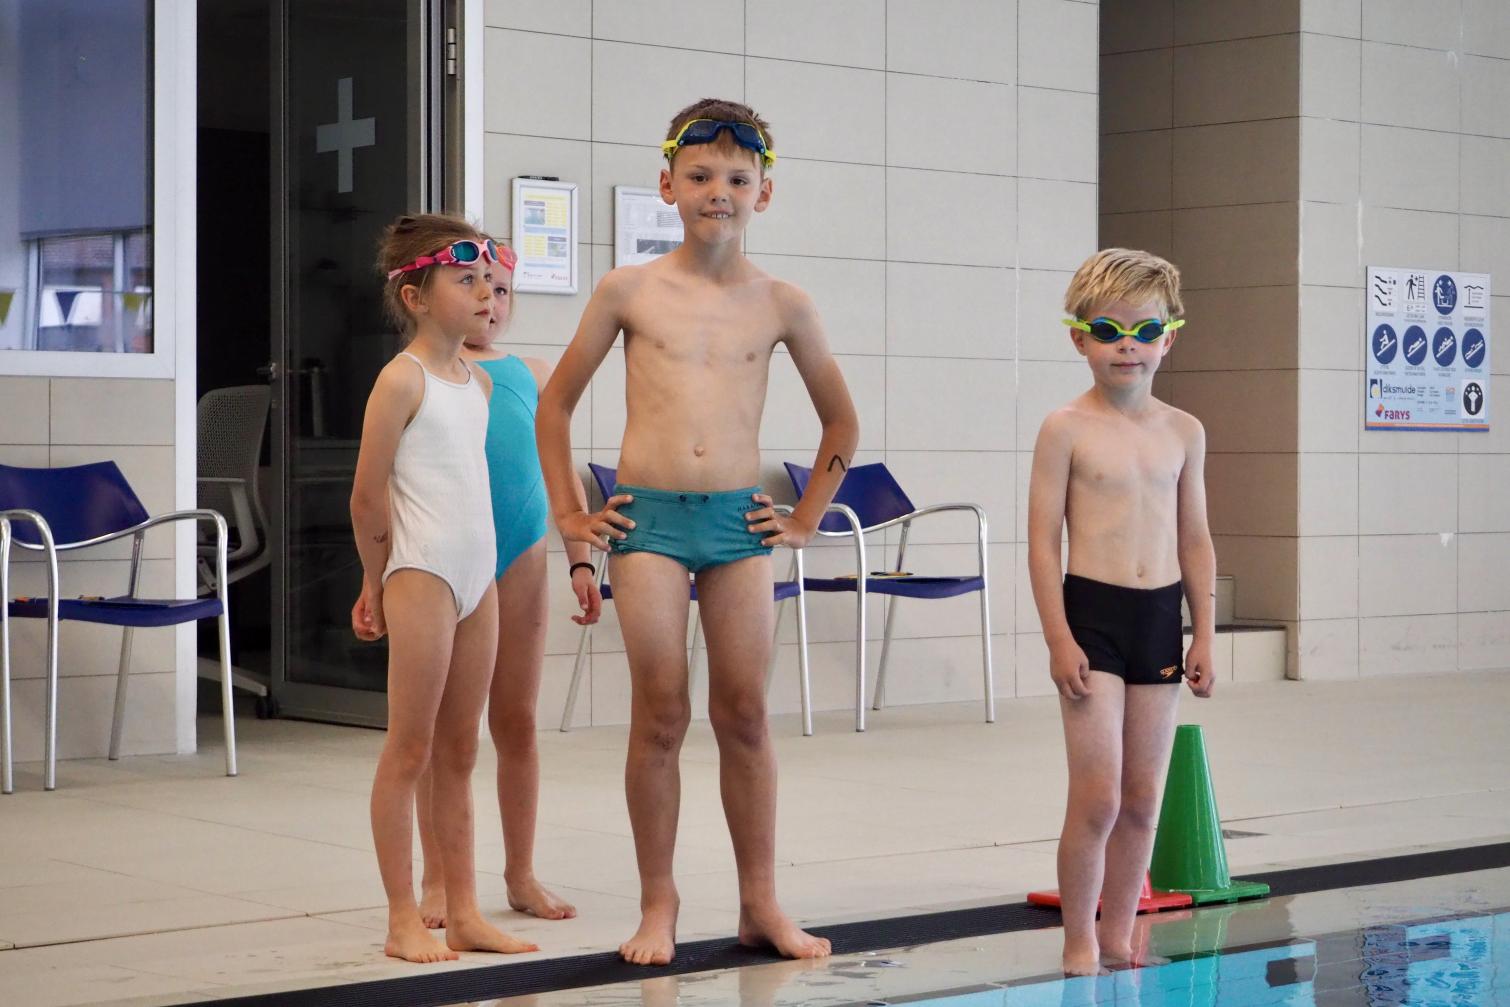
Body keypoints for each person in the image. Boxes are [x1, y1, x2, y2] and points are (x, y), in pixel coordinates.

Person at [535, 98, 860, 966]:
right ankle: (659, 901)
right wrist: (571, 518)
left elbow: (841, 422)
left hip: (737, 525)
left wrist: (803, 518)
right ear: (668, 184)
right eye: (702, 175)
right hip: (647, 521)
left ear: (764, 193)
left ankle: (761, 901)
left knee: (745, 712)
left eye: (738, 179)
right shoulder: (629, 290)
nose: (720, 191)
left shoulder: (783, 303)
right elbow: (554, 406)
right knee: (662, 710)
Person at [349, 213, 539, 963]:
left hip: (477, 578)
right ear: (416, 296)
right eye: (467, 280)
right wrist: (374, 579)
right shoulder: (402, 379)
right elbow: (367, 496)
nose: (486, 292)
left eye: (490, 279)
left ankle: (465, 912)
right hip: (421, 573)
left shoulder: (479, 382)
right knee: (411, 749)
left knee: (460, 752)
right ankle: (403, 915)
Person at [1026, 247, 1217, 976]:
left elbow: (1195, 538)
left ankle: (1117, 933)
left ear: (1171, 336)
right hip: (1093, 619)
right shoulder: (1066, 428)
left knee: (1142, 798)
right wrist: (1058, 637)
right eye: (1108, 330)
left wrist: (1203, 633)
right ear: (1080, 338)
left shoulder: (1184, 431)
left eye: (1145, 330)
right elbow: (1042, 542)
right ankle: (1078, 938)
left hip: (1159, 619)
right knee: (1098, 796)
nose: (1127, 346)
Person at [402, 238, 601, 928]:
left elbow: (561, 476)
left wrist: (580, 560)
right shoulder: (425, 372)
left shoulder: (533, 373)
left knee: (516, 719)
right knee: (441, 730)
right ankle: (437, 878)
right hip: (448, 560)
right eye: (475, 285)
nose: (491, 301)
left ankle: (521, 873)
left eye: (503, 290)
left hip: (521, 556)